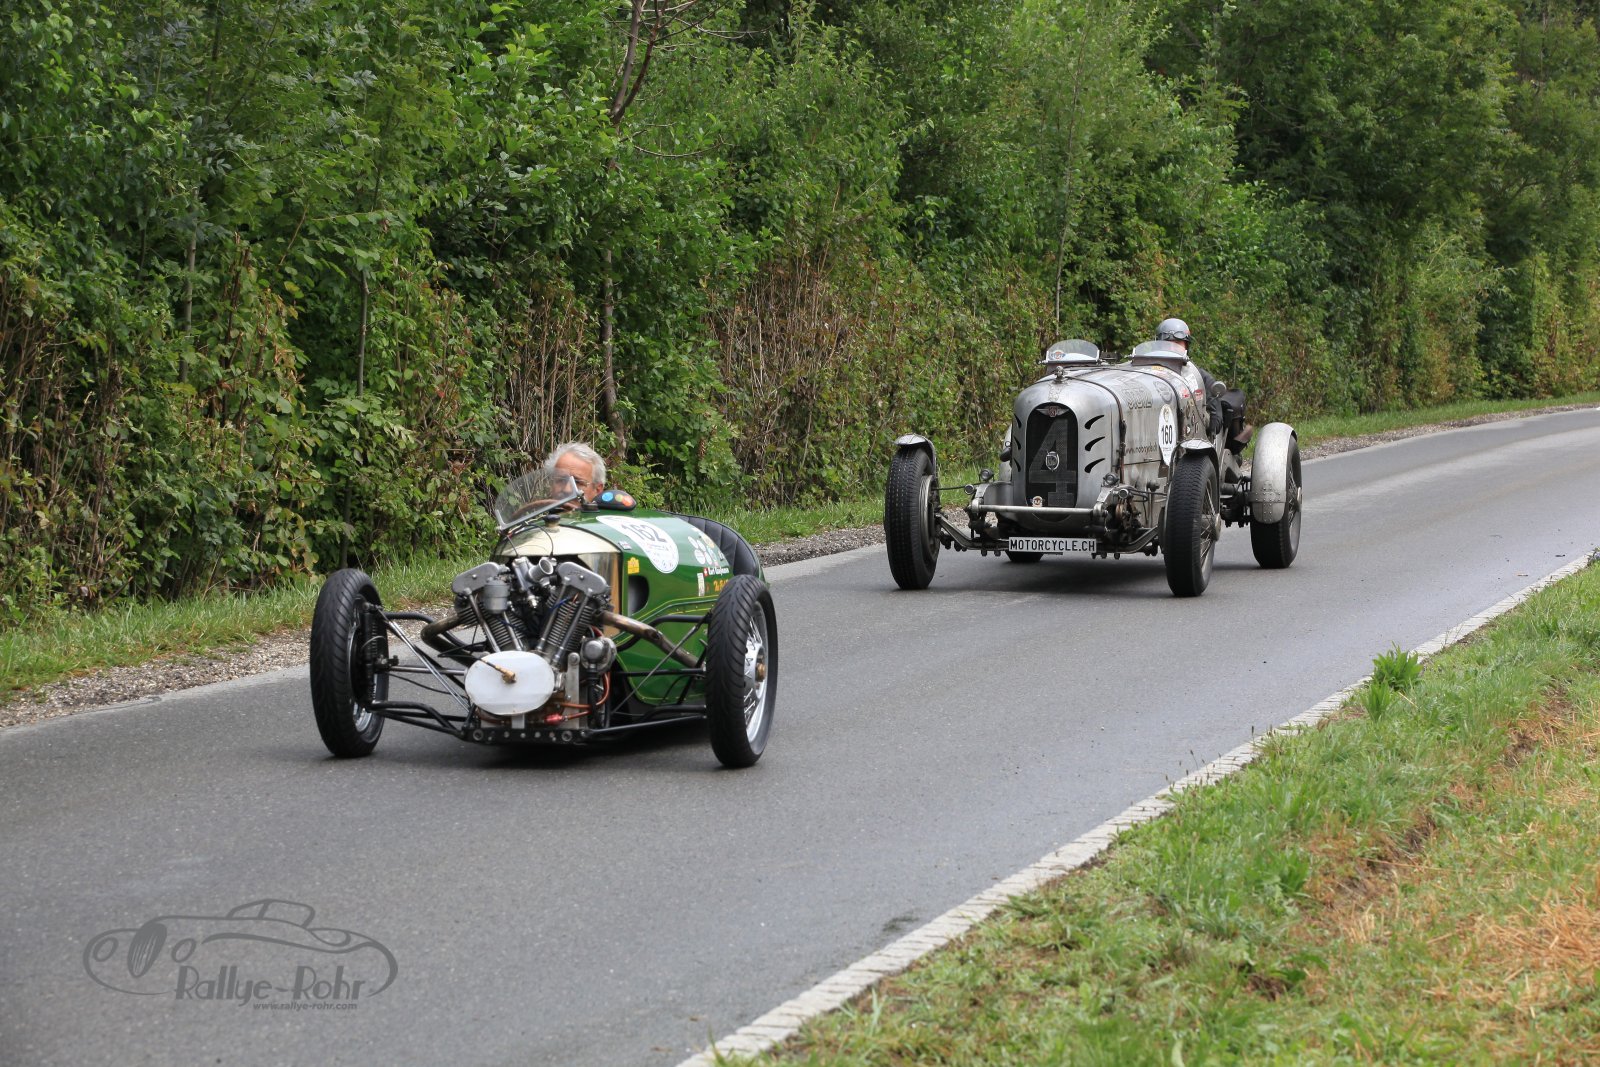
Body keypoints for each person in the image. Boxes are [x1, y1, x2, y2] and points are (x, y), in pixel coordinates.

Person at [1153, 317, 1226, 439]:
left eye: (1177, 344)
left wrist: (1204, 419)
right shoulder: (1150, 374)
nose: (1172, 349)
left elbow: (1216, 420)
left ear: (1186, 346)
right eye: (1167, 344)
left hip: (1191, 438)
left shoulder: (1200, 377)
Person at [544, 441, 607, 508]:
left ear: (597, 490)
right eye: (561, 480)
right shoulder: (538, 514)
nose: (567, 490)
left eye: (577, 482)